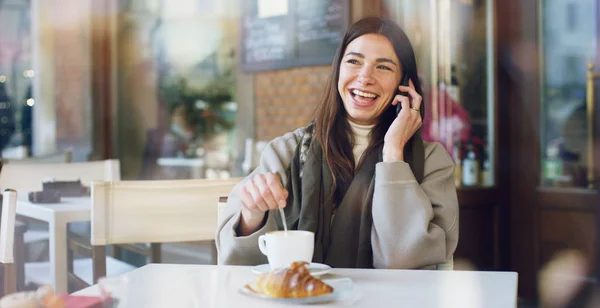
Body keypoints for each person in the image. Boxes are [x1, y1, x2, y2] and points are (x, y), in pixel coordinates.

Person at [216, 17, 458, 269]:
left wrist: (394, 153)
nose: (365, 77)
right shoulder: (286, 152)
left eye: (383, 67)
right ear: (338, 70)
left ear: (405, 85)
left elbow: (404, 261)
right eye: (354, 61)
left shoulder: (431, 162)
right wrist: (253, 214)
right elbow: (235, 266)